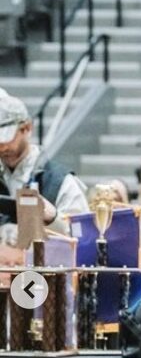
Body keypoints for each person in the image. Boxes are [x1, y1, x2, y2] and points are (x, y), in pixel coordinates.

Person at [0, 94, 89, 252]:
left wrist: (54, 219)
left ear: (27, 128)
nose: (2, 148)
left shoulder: (61, 181)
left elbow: (85, 239)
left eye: (6, 140)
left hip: (45, 275)